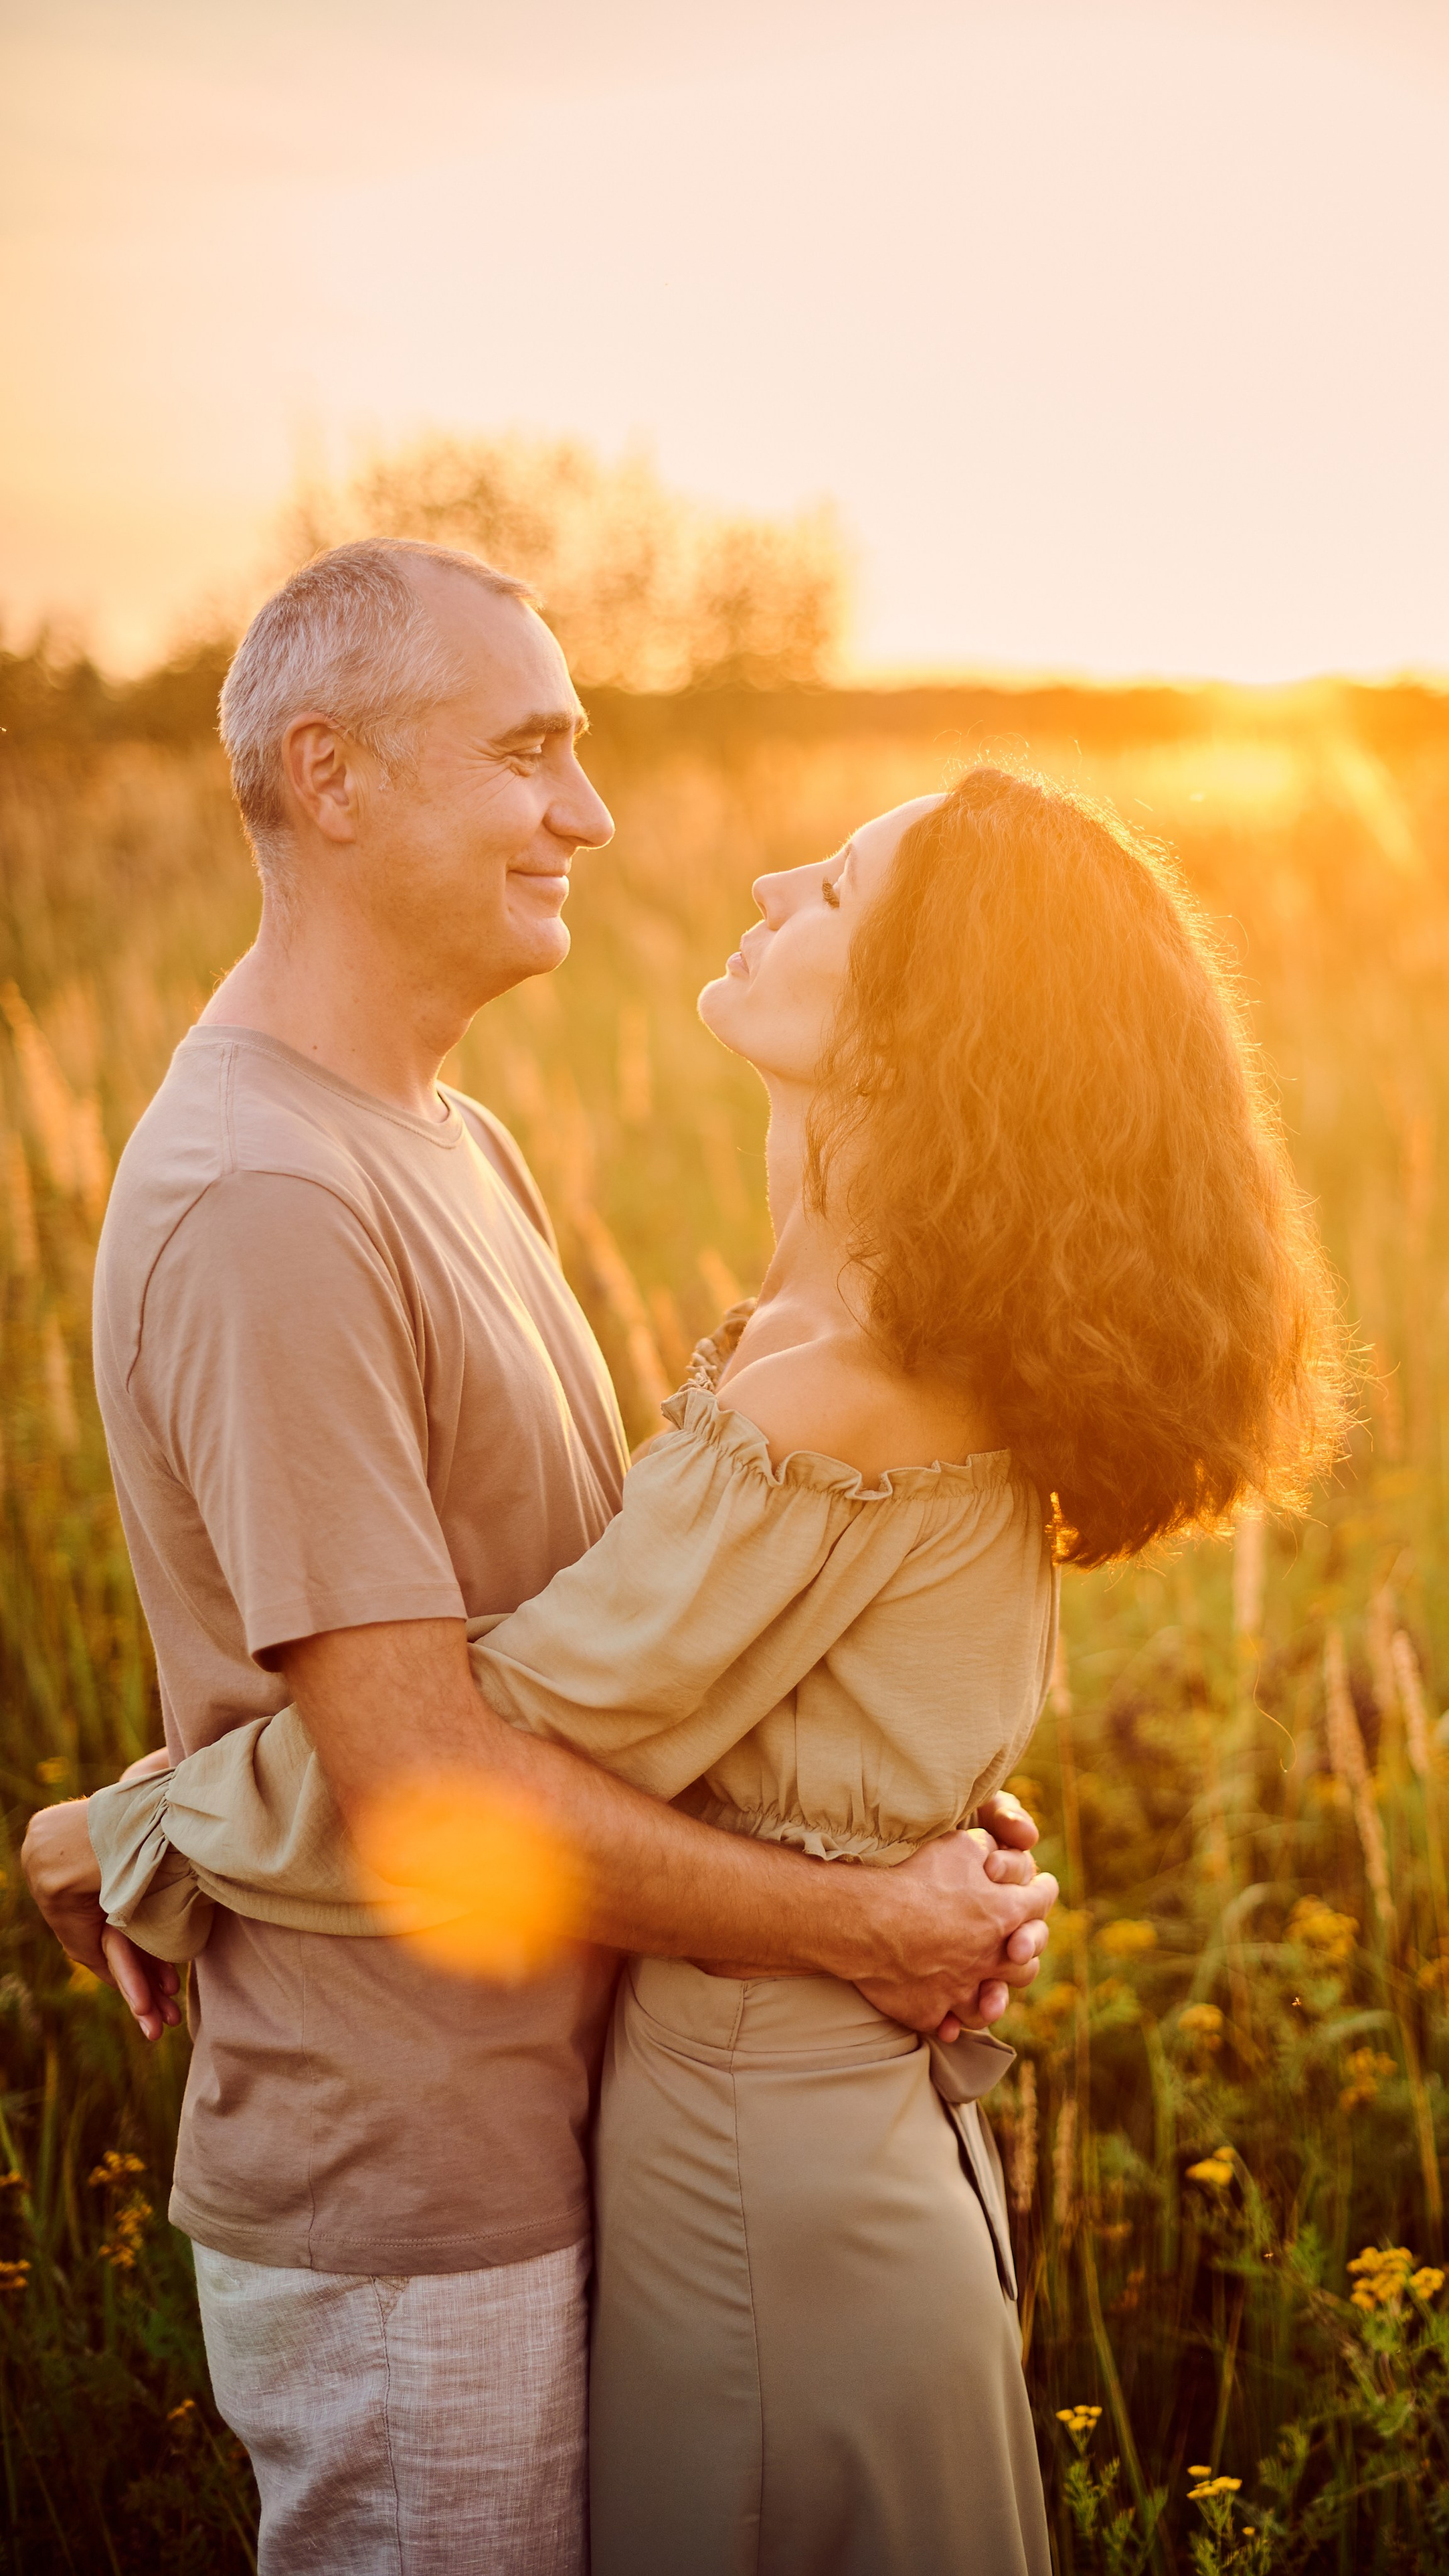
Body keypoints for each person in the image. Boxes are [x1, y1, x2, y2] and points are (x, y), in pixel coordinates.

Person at [72, 767, 1345, 2571]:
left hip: (763, 2174)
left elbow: (443, 1768)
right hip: (836, 2141)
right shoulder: (903, 1335)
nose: (764, 881)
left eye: (831, 895)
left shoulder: (840, 1388)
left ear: (920, 1034)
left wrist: (133, 1831)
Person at [20, 540, 1057, 2576]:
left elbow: (582, 1654)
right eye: (531, 751)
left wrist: (865, 1798)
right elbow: (425, 1786)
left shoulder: (442, 1135)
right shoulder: (269, 1201)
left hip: (573, 2122)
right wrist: (856, 1926)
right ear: (331, 778)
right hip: (416, 2190)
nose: (588, 812)